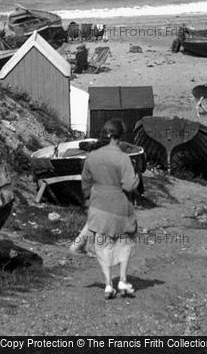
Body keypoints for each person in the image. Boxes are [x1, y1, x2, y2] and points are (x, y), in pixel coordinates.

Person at [82, 119, 140, 299]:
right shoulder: (123, 157)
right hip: (119, 205)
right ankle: (122, 280)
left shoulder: (91, 157)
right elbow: (129, 186)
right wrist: (136, 179)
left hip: (98, 205)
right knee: (124, 242)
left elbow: (85, 183)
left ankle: (108, 285)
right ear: (119, 137)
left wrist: (87, 201)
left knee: (102, 245)